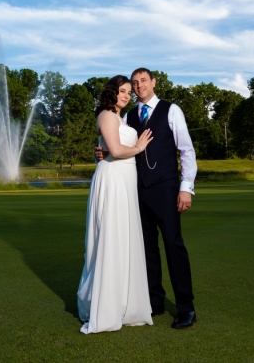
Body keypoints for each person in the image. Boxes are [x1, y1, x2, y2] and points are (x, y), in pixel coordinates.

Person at [96, 68, 198, 329]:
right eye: (134, 82)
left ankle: (186, 307)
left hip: (165, 188)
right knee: (146, 250)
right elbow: (118, 146)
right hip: (134, 190)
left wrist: (186, 187)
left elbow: (186, 151)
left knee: (173, 246)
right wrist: (103, 151)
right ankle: (154, 302)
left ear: (153, 82)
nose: (138, 86)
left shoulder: (171, 110)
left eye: (143, 81)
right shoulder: (128, 115)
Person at [76, 75, 154, 334]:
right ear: (112, 92)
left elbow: (109, 148)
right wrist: (140, 146)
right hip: (112, 180)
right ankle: (106, 307)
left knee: (123, 239)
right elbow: (117, 151)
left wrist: (104, 150)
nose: (126, 95)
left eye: (128, 92)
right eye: (121, 91)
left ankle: (124, 304)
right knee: (110, 238)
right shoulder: (106, 115)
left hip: (125, 181)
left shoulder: (121, 118)